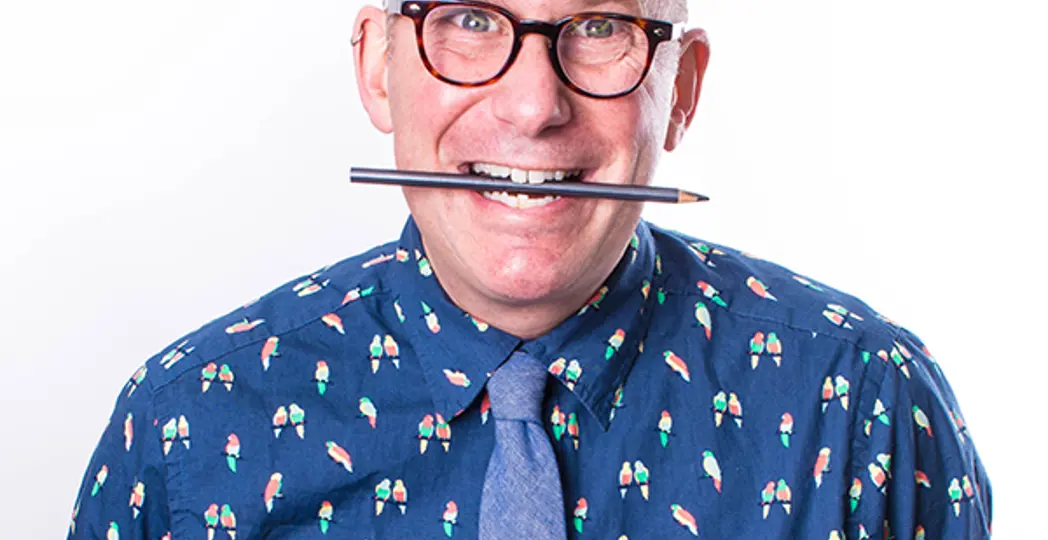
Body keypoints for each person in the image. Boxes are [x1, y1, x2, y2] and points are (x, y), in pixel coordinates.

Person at [68, 0, 992, 538]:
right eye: (471, 19)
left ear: (682, 90)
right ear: (379, 67)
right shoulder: (185, 424)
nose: (533, 104)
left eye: (597, 26)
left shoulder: (861, 401)